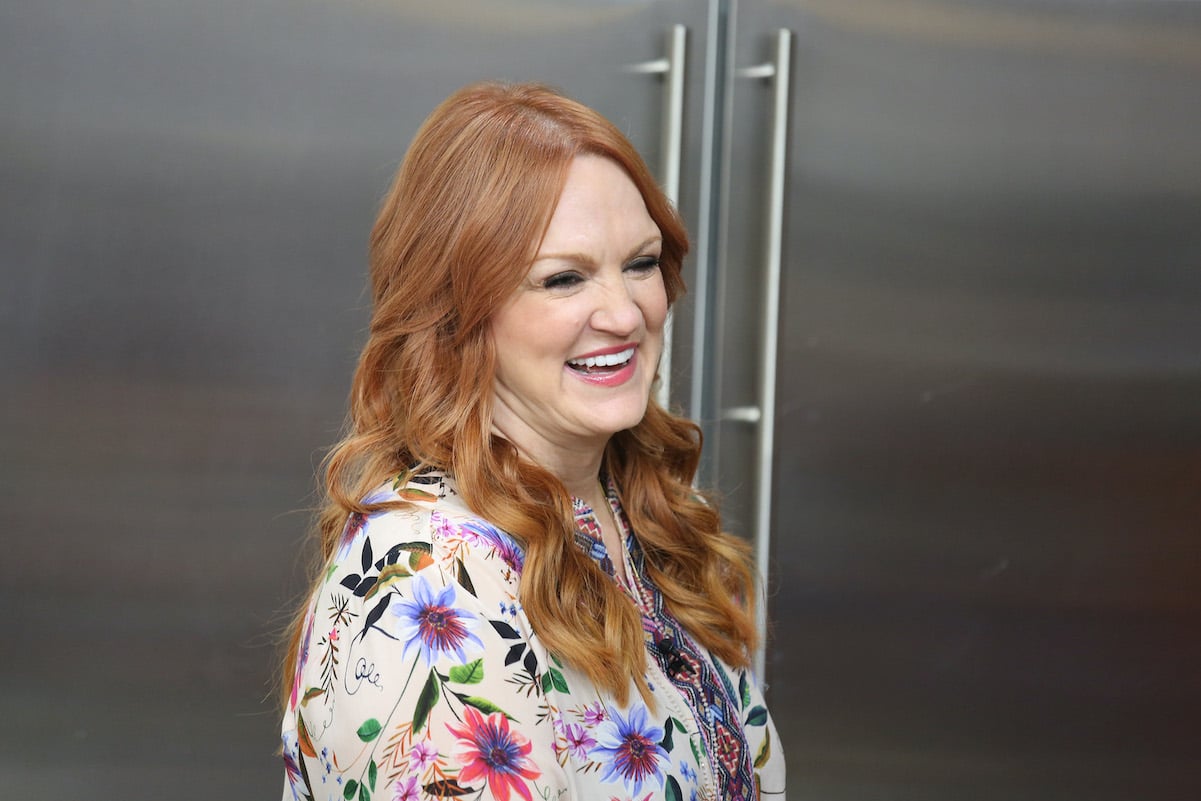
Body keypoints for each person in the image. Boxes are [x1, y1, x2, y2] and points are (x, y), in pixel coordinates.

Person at [279, 81, 786, 801]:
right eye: (562, 278)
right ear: (457, 311)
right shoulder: (424, 586)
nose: (624, 312)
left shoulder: (643, 520)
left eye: (640, 264)